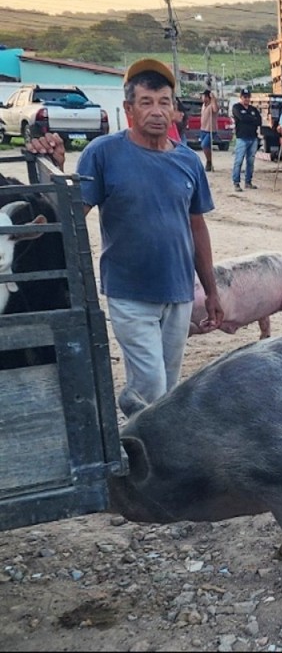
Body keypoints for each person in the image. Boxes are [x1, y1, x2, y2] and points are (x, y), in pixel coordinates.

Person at [24, 58, 222, 416]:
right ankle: (139, 448)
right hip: (130, 293)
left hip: (178, 292)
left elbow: (197, 228)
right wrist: (58, 170)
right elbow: (69, 215)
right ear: (128, 109)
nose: (157, 111)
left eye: (164, 102)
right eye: (146, 102)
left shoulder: (189, 162)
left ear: (175, 110)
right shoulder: (103, 154)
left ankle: (145, 446)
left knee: (168, 386)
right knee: (150, 384)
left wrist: (211, 290)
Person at [230, 87, 262, 192]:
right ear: (241, 97)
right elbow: (242, 118)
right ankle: (236, 182)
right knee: (238, 161)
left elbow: (259, 121)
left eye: (248, 97)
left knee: (250, 162)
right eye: (244, 97)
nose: (246, 99)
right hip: (241, 138)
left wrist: (249, 119)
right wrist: (251, 119)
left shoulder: (253, 109)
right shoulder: (236, 107)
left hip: (253, 138)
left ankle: (248, 182)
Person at [199, 89, 218, 172]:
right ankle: (209, 161)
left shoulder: (212, 105)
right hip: (203, 129)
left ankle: (209, 161)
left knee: (204, 145)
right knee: (205, 147)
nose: (202, 98)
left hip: (210, 129)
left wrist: (213, 99)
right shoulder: (203, 105)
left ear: (207, 97)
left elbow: (215, 109)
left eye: (204, 96)